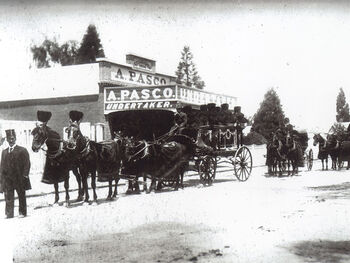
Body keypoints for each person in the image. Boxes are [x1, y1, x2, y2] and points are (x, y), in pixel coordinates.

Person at [0, 129, 31, 219]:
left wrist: (25, 175)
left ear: (15, 138)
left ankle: (22, 212)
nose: (11, 140)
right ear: (7, 140)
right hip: (8, 178)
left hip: (19, 177)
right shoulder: (4, 152)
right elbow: (2, 166)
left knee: (21, 195)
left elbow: (27, 163)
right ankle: (9, 214)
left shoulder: (22, 150)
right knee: (8, 196)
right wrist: (1, 178)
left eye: (13, 138)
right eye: (9, 138)